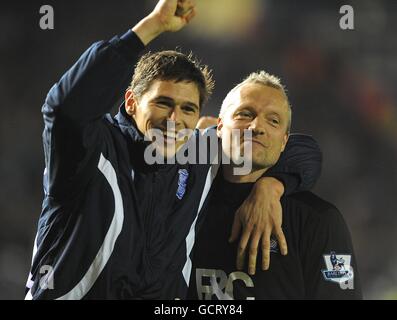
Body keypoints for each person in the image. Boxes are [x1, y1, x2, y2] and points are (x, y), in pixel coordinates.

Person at [25, 0, 322, 300]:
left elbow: (298, 150)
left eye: (187, 109)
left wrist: (271, 186)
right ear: (131, 102)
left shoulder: (198, 155)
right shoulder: (91, 150)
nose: (174, 119)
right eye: (163, 103)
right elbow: (64, 108)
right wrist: (150, 27)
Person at [188, 71, 362, 300]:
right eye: (244, 114)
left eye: (273, 120)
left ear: (284, 141)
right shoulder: (186, 201)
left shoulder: (317, 219)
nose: (257, 126)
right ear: (219, 127)